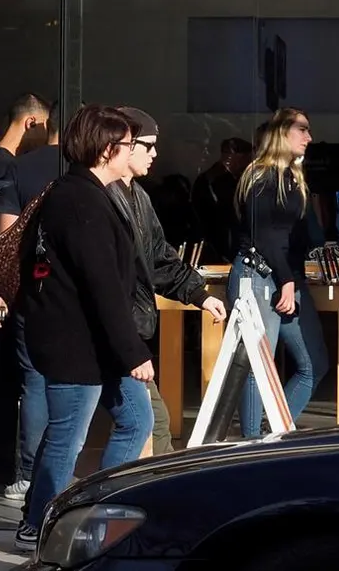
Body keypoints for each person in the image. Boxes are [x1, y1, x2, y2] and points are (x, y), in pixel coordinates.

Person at [14, 105, 156, 553]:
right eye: (128, 145)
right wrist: (134, 353)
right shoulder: (79, 200)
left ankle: (98, 518)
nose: (134, 151)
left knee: (136, 421)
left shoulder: (87, 194)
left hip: (97, 343)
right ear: (107, 149)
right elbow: (102, 286)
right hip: (78, 343)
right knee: (68, 438)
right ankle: (40, 524)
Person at [112, 108, 226, 455]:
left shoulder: (138, 198)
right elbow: (104, 280)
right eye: (148, 145)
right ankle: (116, 497)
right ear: (124, 146)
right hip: (111, 336)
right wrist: (130, 349)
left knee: (144, 423)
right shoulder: (100, 197)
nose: (155, 154)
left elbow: (159, 256)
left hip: (124, 334)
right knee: (139, 423)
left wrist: (199, 294)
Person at [229, 107, 329, 438]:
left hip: (285, 276)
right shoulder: (261, 176)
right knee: (259, 367)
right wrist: (286, 279)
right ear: (282, 132)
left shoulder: (291, 177)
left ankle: (271, 435)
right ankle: (253, 446)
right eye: (302, 129)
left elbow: (300, 235)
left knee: (314, 363)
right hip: (258, 274)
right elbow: (265, 235)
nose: (309, 137)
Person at [0, 94, 52, 498]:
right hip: (14, 285)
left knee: (17, 380)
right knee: (20, 380)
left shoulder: (7, 166)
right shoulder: (8, 165)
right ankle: (10, 466)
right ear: (32, 123)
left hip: (10, 286)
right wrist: (0, 289)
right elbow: (4, 237)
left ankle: (6, 468)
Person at [190, 137, 252, 264]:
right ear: (231, 156)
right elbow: (223, 217)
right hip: (218, 245)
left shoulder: (232, 178)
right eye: (245, 158)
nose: (249, 163)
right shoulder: (215, 181)